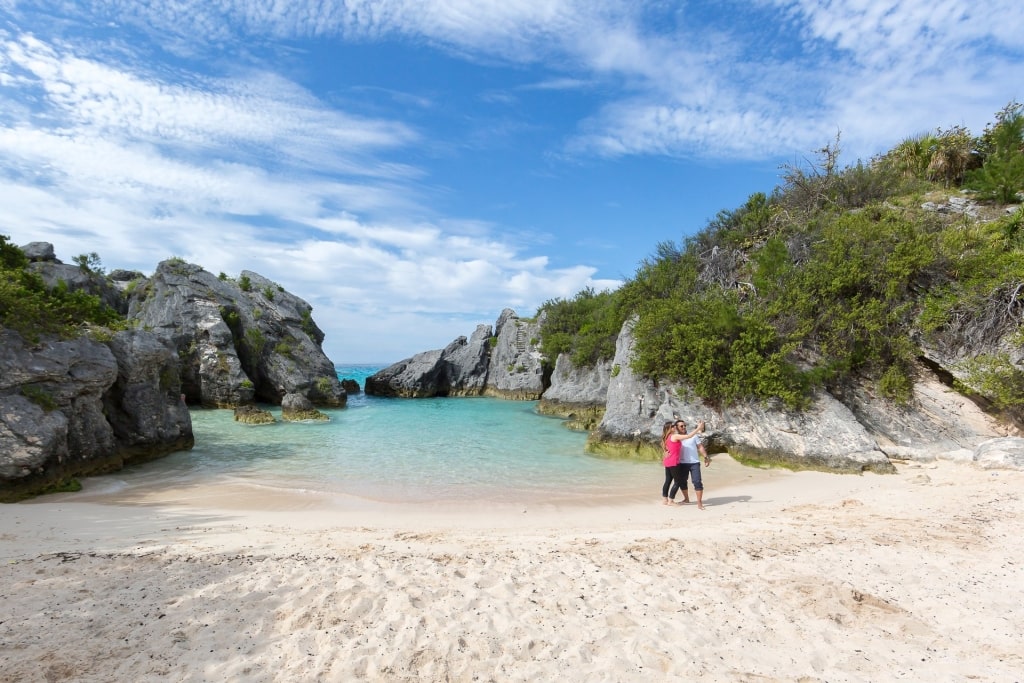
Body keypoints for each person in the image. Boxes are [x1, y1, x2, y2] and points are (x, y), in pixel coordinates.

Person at [670, 419, 711, 509]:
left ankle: (699, 503)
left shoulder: (694, 436)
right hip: (681, 463)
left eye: (685, 425)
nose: (684, 427)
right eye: (681, 426)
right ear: (676, 428)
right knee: (682, 482)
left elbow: (700, 447)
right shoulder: (676, 437)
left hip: (694, 463)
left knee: (697, 482)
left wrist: (706, 457)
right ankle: (686, 499)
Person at [661, 420, 700, 506]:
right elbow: (689, 436)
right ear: (670, 429)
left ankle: (665, 500)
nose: (675, 427)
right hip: (674, 462)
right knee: (678, 481)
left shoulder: (666, 437)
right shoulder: (674, 436)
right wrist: (698, 428)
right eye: (673, 426)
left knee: (668, 480)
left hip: (667, 461)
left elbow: (666, 450)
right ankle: (671, 501)